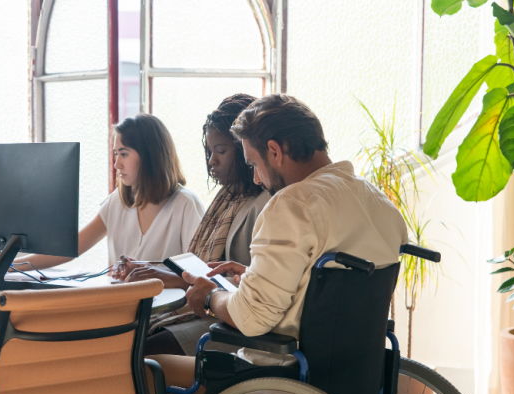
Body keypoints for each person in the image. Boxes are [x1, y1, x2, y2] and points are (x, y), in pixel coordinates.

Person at [160, 93, 408, 368]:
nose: (256, 178)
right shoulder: (381, 203)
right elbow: (330, 298)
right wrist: (257, 277)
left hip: (276, 376)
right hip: (352, 373)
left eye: (254, 164)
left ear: (275, 151)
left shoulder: (292, 204)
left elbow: (251, 318)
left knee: (149, 367)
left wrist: (209, 296)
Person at [114, 94, 271, 356]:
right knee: (127, 338)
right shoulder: (227, 198)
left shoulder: (265, 204)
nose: (212, 161)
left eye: (221, 151)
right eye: (209, 152)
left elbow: (250, 287)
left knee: (140, 350)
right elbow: (203, 266)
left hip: (231, 320)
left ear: (245, 147)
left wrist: (172, 279)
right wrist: (152, 269)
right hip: (213, 309)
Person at [0, 113, 205, 269]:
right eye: (116, 154)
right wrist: (6, 264)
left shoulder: (185, 204)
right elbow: (70, 249)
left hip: (164, 314)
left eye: (124, 154)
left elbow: (198, 272)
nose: (117, 164)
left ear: (150, 155)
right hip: (122, 308)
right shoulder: (118, 202)